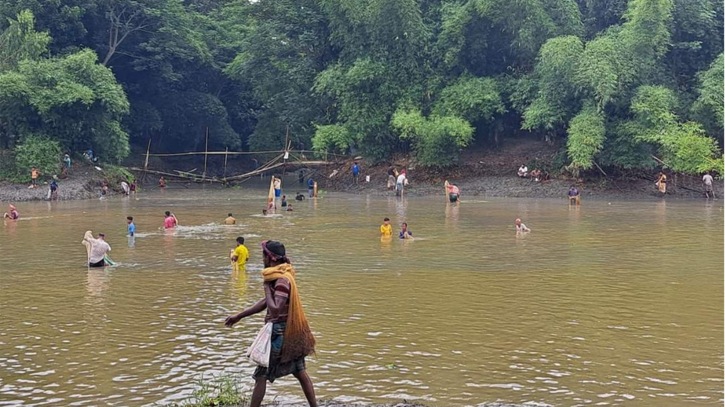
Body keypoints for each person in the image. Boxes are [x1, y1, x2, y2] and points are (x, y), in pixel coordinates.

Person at [224, 240, 317, 407]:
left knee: (261, 375)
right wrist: (240, 315)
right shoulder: (283, 276)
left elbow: (274, 309)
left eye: (264, 255)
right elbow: (266, 302)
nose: (262, 259)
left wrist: (266, 287)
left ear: (272, 258)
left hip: (279, 334)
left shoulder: (280, 280)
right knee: (299, 370)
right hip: (290, 331)